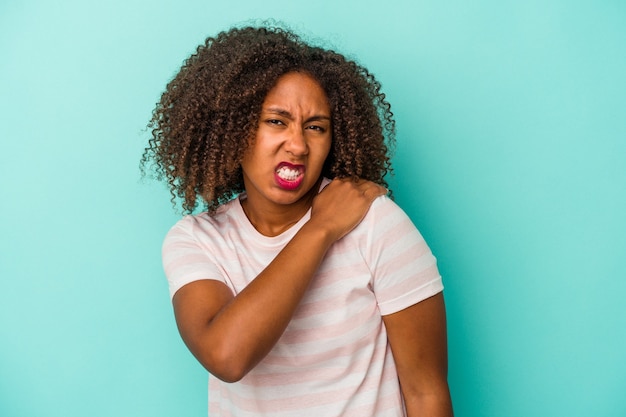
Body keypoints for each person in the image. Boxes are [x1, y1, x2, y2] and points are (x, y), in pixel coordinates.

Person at [142, 24, 453, 417]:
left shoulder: (375, 223)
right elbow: (226, 355)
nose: (298, 145)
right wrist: (320, 230)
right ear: (232, 129)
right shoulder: (198, 240)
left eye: (316, 127)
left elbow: (428, 395)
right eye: (276, 121)